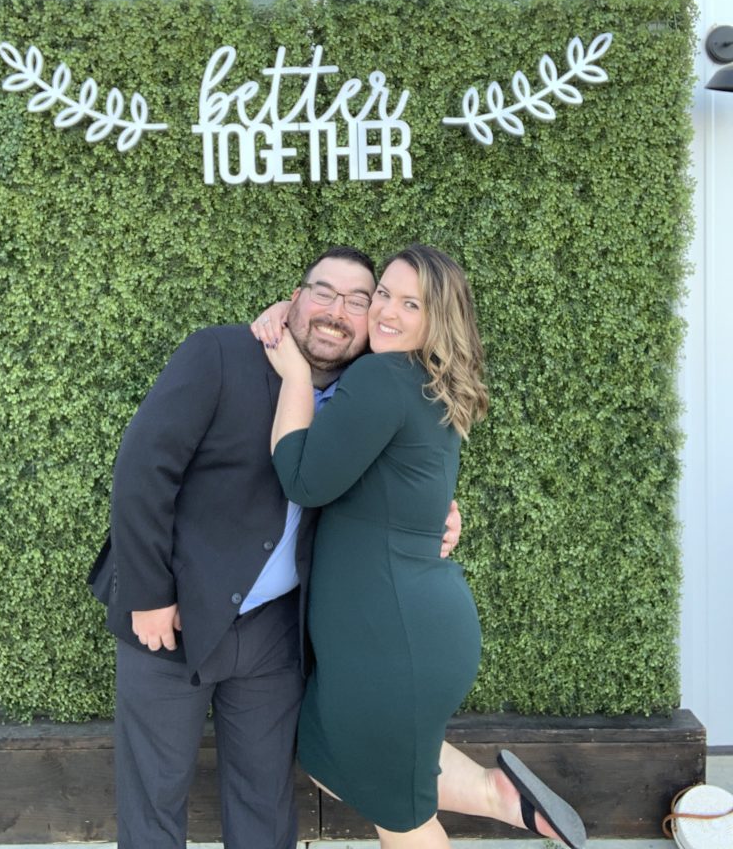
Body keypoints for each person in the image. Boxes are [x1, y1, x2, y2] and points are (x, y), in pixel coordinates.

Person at [88, 245, 462, 849]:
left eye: (358, 301)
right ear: (294, 298)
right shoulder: (220, 352)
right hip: (173, 618)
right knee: (154, 799)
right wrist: (151, 593)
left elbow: (397, 482)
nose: (337, 311)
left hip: (273, 634)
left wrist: (436, 517)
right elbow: (141, 470)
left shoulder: (368, 392)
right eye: (323, 292)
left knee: (264, 801)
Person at [262, 244, 587, 849]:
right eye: (383, 293)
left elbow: (302, 479)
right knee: (330, 759)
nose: (387, 310)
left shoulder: (383, 376)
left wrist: (298, 376)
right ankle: (499, 796)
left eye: (411, 303)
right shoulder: (423, 384)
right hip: (403, 632)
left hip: (392, 641)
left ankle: (490, 798)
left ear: (437, 319)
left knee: (401, 818)